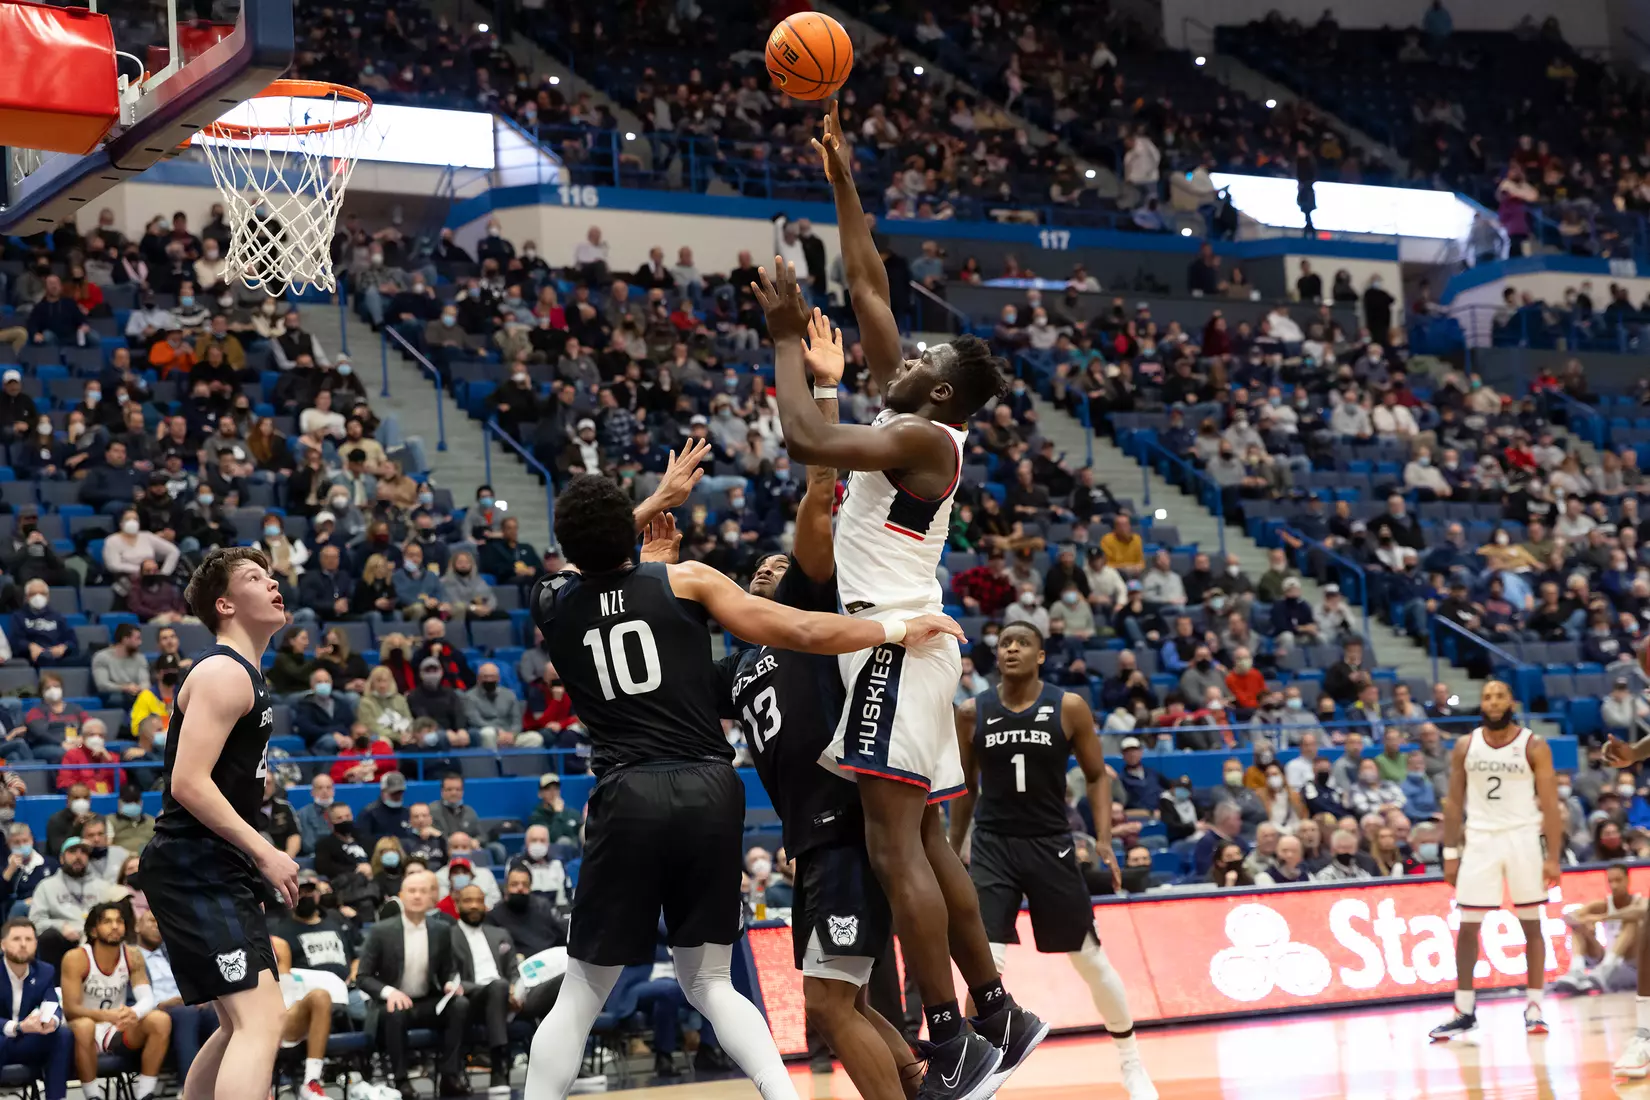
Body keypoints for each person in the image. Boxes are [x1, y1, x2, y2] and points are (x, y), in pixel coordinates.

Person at [524, 462, 964, 1100]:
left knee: (584, 990)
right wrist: (896, 627)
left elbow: (585, 566)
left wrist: (650, 507)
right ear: (631, 532)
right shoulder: (687, 580)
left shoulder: (552, 601)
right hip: (709, 788)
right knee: (711, 983)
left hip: (628, 789)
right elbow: (801, 629)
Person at [765, 102, 1039, 1098]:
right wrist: (841, 176)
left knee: (893, 840)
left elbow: (804, 437)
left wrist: (786, 339)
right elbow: (872, 280)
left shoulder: (926, 440)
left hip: (895, 645)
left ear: (943, 397)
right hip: (909, 647)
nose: (907, 357)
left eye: (924, 364)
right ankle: (999, 1008)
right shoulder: (916, 411)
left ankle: (951, 1031)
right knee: (919, 836)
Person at [698, 312, 920, 1100]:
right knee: (847, 1001)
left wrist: (826, 388)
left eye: (774, 565)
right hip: (811, 838)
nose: (764, 570)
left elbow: (819, 491)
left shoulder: (805, 613)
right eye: (750, 568)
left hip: (843, 819)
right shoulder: (731, 669)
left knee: (830, 1004)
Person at [951, 623, 1153, 1099]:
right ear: (995, 654)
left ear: (1041, 655)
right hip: (994, 845)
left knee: (1089, 959)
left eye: (1023, 643)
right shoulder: (969, 712)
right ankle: (976, 1078)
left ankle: (1131, 1062)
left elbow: (1098, 776)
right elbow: (965, 789)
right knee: (985, 961)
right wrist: (952, 845)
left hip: (1051, 844)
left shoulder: (1069, 707)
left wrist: (1103, 839)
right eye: (1005, 643)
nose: (1012, 649)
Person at [128, 548, 298, 1100]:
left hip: (215, 864)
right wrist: (266, 852)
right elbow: (188, 783)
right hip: (194, 864)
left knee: (236, 1026)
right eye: (254, 578)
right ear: (225, 605)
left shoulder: (247, 675)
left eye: (271, 576)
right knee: (261, 1020)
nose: (272, 583)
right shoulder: (224, 672)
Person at [1430, 681, 1563, 1041]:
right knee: (1468, 925)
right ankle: (1463, 1008)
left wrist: (1553, 856)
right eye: (1487, 696)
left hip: (1522, 837)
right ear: (1481, 704)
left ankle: (1534, 1005)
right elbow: (1454, 804)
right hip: (1481, 839)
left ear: (1511, 701)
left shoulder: (1534, 744)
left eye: (1500, 695)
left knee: (1532, 924)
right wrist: (1450, 853)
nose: (1493, 702)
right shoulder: (1464, 745)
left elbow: (1550, 804)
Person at [356, 870, 470, 1097]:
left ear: (431, 898)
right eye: (412, 891)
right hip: (392, 1004)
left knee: (460, 1005)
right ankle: (401, 1080)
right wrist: (389, 993)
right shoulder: (381, 931)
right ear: (401, 895)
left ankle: (449, 1075)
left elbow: (450, 969)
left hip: (427, 1000)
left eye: (423, 891)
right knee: (395, 1012)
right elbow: (363, 977)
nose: (417, 896)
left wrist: (450, 983)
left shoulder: (441, 930)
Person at [62, 902, 172, 1100]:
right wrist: (107, 1015)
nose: (115, 926)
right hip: (82, 1027)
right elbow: (71, 1009)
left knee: (160, 1019)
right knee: (85, 1025)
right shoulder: (76, 958)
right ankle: (93, 1095)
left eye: (119, 921)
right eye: (107, 921)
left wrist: (133, 1013)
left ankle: (145, 1093)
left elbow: (147, 998)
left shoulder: (132, 955)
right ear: (94, 930)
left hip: (116, 1027)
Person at [450, 883, 516, 1090]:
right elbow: (450, 976)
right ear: (457, 904)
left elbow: (514, 971)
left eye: (479, 901)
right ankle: (499, 1066)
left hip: (506, 996)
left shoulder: (500, 934)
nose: (474, 906)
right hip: (470, 998)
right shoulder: (448, 935)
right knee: (498, 986)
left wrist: (515, 987)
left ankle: (570, 1065)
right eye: (468, 901)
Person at [0, 918, 73, 1100]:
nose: (23, 945)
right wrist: (17, 1027)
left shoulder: (44, 971)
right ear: (3, 945)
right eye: (16, 939)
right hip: (2, 1037)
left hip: (23, 1042)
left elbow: (52, 1003)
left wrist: (51, 1021)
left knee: (63, 1035)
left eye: (29, 939)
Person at [1552, 863, 1642, 996]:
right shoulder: (1603, 904)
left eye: (1618, 880)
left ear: (1628, 880)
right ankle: (1577, 970)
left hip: (1635, 967)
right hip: (1606, 963)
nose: (1614, 885)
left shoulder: (1640, 902)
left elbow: (1637, 912)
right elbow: (1568, 917)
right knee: (1578, 926)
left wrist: (1599, 918)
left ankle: (1605, 969)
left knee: (1631, 922)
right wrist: (1585, 922)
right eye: (1610, 881)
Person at [269, 936, 339, 1100]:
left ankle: (311, 1082)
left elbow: (285, 992)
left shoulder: (279, 945)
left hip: (278, 1014)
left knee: (320, 996)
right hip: (244, 1018)